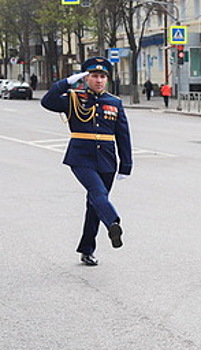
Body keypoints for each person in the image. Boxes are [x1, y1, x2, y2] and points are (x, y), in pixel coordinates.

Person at [39, 57, 132, 266]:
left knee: (94, 206)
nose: (99, 80)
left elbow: (123, 136)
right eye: (94, 76)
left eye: (102, 77)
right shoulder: (73, 98)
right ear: (86, 78)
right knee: (98, 192)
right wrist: (66, 82)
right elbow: (47, 101)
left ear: (107, 80)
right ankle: (113, 223)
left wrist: (126, 165)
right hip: (81, 157)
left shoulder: (114, 103)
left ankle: (87, 250)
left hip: (107, 159)